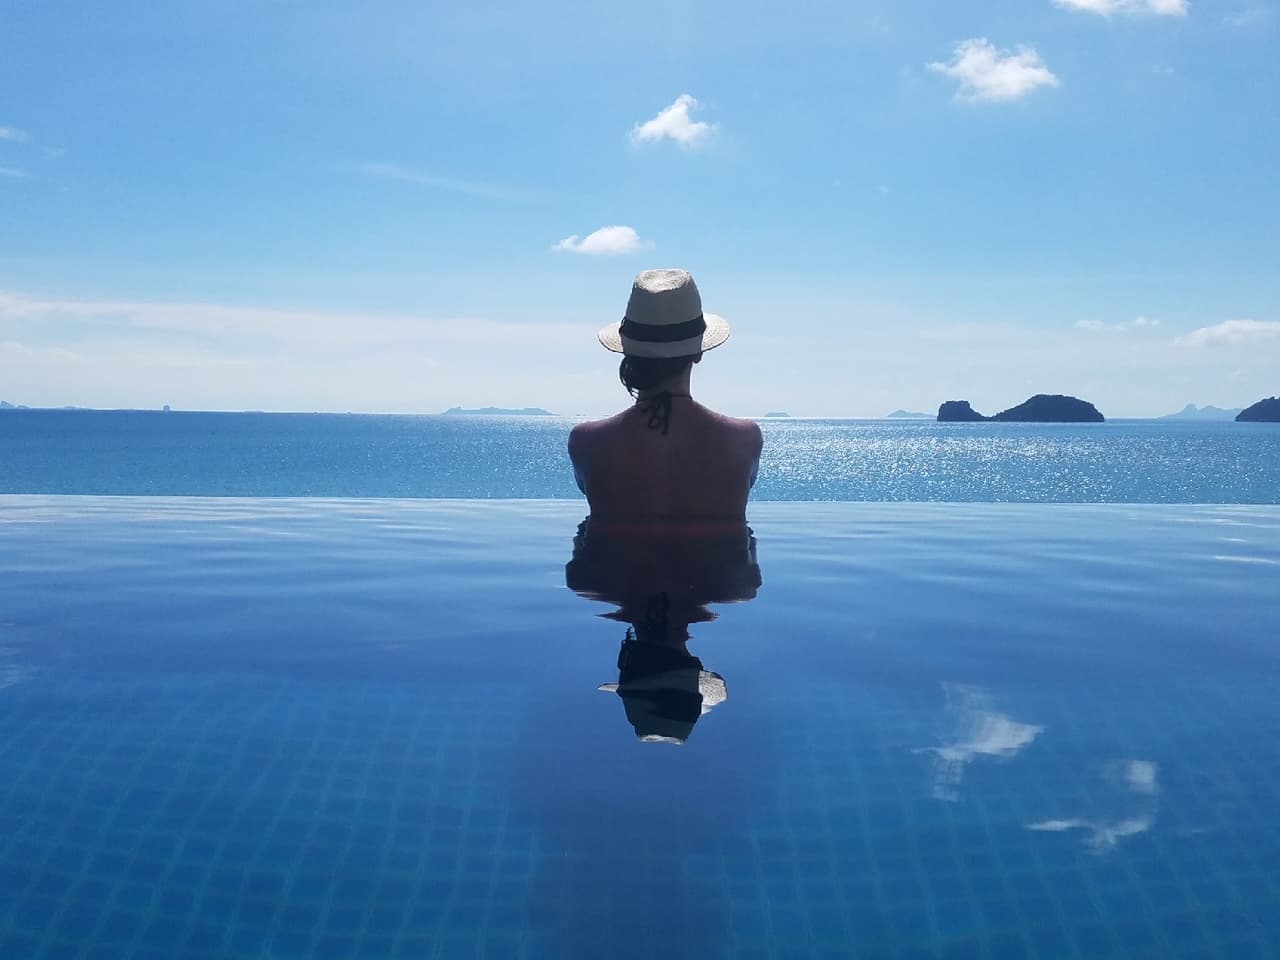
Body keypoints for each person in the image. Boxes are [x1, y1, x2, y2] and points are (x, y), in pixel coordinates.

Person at [568, 268, 763, 523]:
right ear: (698, 352)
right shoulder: (744, 438)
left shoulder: (587, 442)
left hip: (615, 563)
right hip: (718, 563)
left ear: (627, 351)